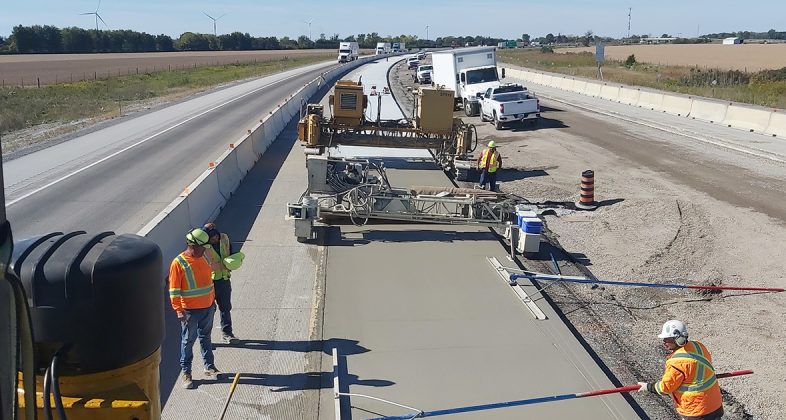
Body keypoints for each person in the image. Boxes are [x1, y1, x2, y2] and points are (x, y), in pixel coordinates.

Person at [637, 320, 724, 420]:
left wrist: (648, 387)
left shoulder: (676, 363)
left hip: (696, 411)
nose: (664, 342)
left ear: (678, 339)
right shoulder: (698, 346)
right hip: (715, 405)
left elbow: (665, 388)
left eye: (667, 339)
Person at [169, 228, 220, 389]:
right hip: (189, 311)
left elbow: (208, 282)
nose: (205, 250)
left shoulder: (204, 257)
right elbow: (174, 290)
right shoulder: (179, 263)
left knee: (206, 337)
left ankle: (209, 367)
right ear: (191, 245)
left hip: (208, 307)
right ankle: (186, 373)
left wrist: (213, 301)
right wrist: (178, 310)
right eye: (202, 247)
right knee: (187, 341)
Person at [203, 222, 240, 344]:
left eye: (216, 235)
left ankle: (227, 334)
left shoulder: (224, 237)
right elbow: (203, 265)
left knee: (225, 308)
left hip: (224, 279)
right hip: (209, 282)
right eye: (211, 236)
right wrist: (223, 264)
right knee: (208, 311)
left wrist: (234, 261)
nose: (215, 238)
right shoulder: (203, 246)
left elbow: (230, 251)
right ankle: (205, 338)